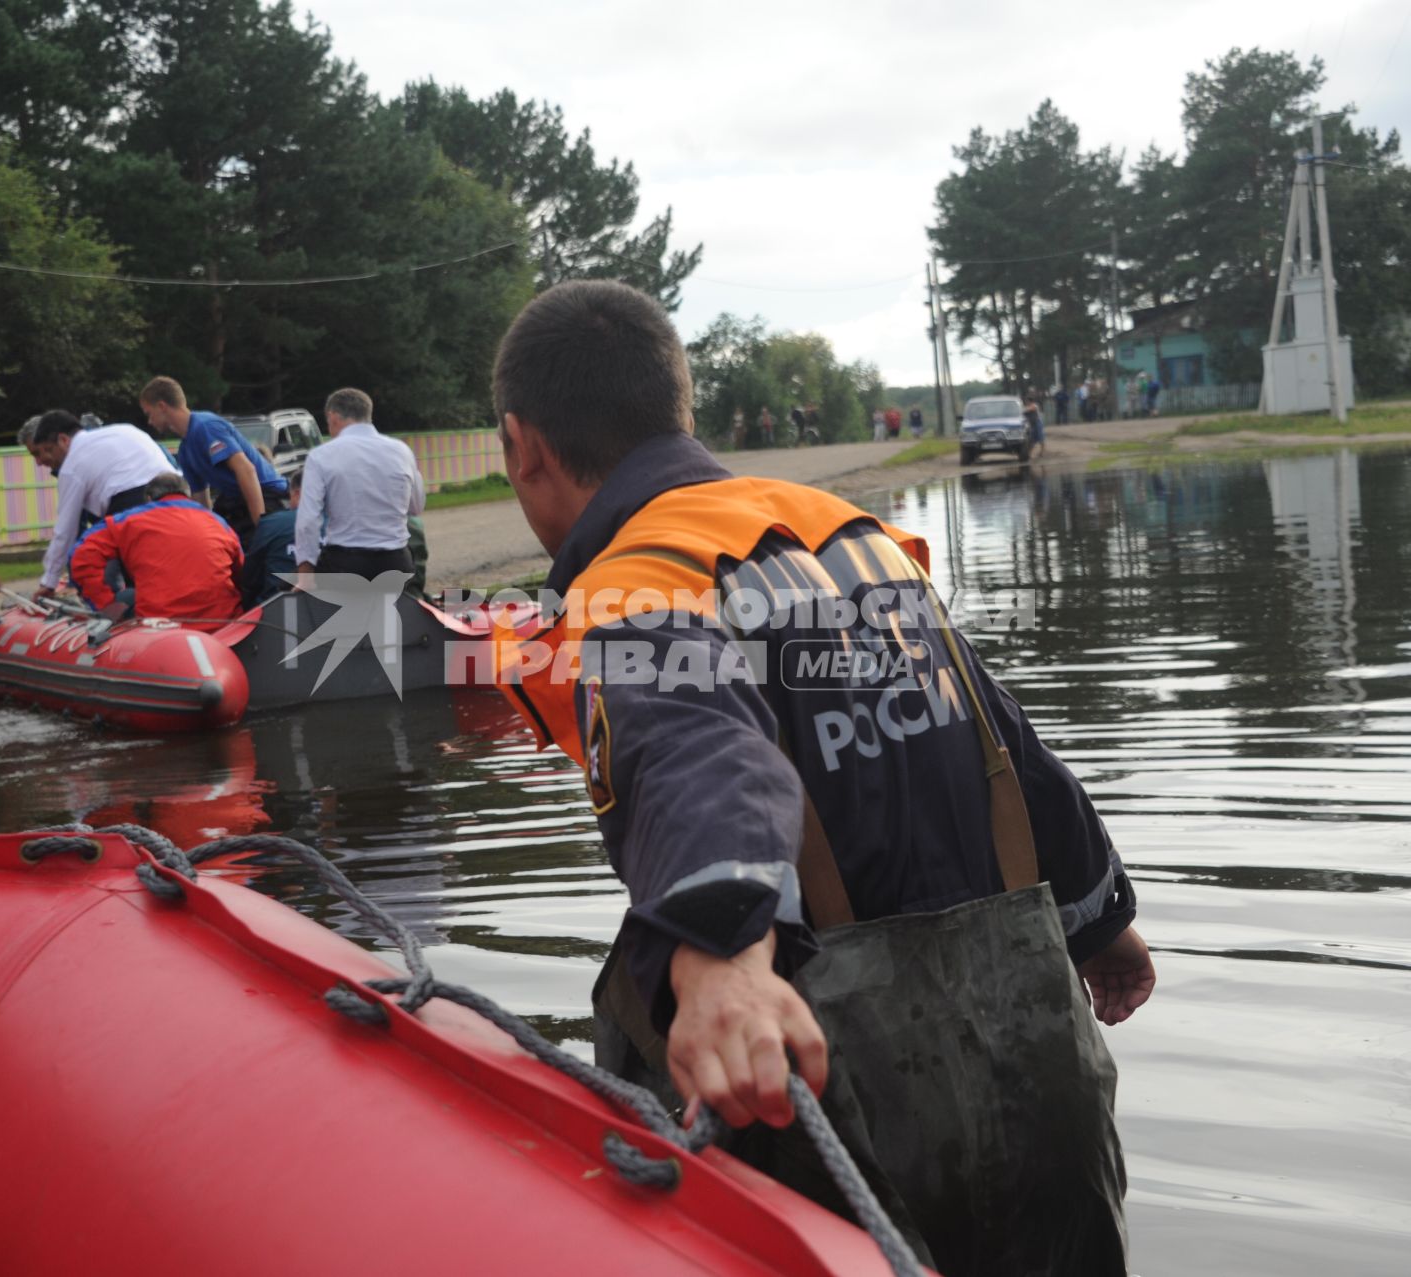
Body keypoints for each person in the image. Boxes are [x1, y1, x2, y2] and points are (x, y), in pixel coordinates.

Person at [488, 281, 1150, 1276]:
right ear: (684, 406)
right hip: (1042, 1083)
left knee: (641, 983)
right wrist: (1101, 920)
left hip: (835, 1109)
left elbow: (697, 751)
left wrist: (718, 955)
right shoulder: (855, 534)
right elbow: (1003, 735)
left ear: (520, 446)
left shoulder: (640, 577)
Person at [22, 409, 176, 599]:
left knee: (141, 586)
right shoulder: (126, 430)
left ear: (63, 440)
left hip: (133, 509)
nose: (42, 461)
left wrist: (49, 582)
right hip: (178, 500)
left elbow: (65, 530)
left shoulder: (72, 466)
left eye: (47, 450)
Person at [68, 472, 242, 630]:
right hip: (223, 625)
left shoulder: (128, 521)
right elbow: (240, 571)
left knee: (127, 596)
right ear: (187, 495)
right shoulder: (219, 523)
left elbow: (80, 555)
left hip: (161, 628)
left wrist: (104, 603)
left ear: (150, 498)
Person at [292, 387, 426, 587]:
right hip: (396, 561)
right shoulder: (401, 450)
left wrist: (305, 575)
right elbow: (415, 507)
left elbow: (308, 519)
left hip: (345, 563)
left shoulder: (321, 456)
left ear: (333, 416)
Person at [136, 376, 285, 542]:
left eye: (149, 414)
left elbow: (247, 470)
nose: (149, 421)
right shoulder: (185, 451)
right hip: (238, 502)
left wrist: (261, 527)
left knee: (261, 559)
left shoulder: (205, 426)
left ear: (162, 406)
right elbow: (201, 501)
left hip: (267, 496)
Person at [241, 471, 302, 608]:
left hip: (277, 612)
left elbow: (249, 581)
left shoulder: (272, 524)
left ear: (297, 494)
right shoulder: (345, 524)